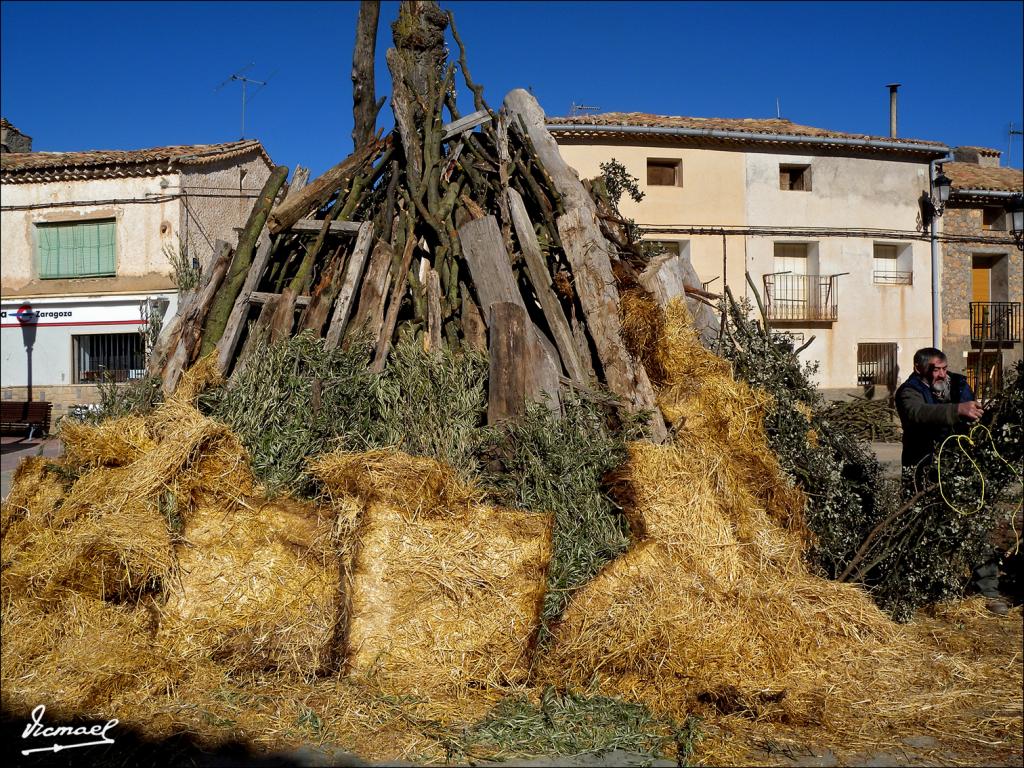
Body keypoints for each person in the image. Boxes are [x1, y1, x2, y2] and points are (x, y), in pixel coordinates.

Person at [894, 347, 983, 484]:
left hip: (957, 461)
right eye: (936, 370)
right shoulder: (909, 390)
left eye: (944, 368)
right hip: (922, 461)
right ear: (918, 369)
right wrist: (957, 410)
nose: (942, 374)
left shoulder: (958, 384)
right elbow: (917, 412)